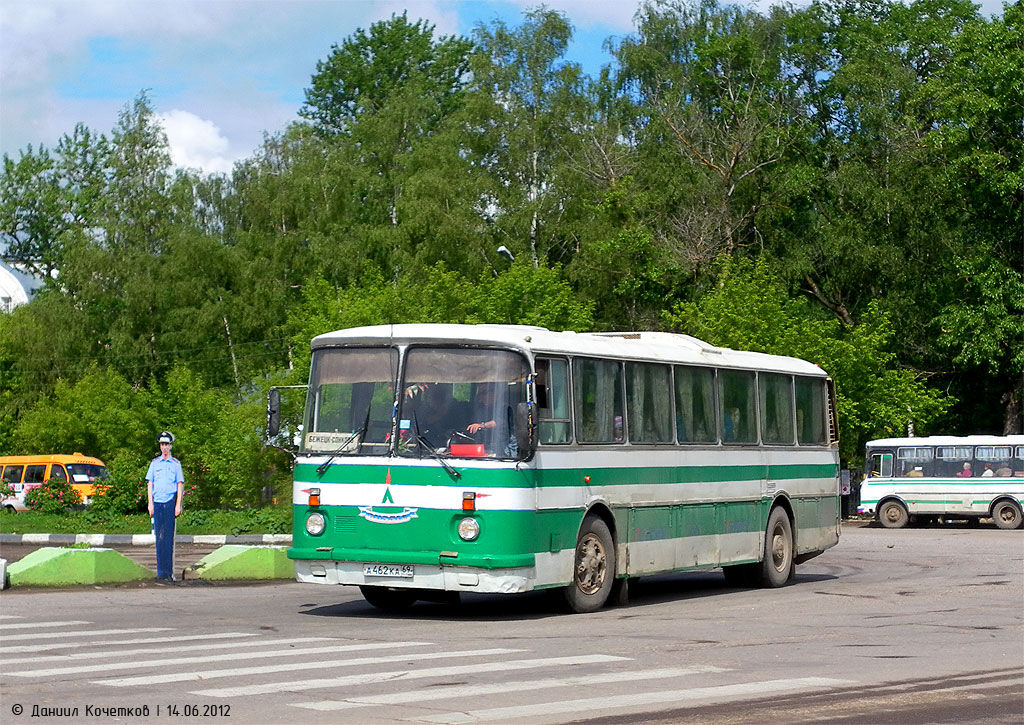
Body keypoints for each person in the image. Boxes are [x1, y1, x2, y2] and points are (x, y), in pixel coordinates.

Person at [146, 431, 185, 582]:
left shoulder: (175, 464)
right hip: (157, 503)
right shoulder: (155, 463)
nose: (164, 447)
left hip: (169, 503)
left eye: (167, 444)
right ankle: (160, 572)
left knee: (168, 538)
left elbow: (179, 485)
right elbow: (150, 484)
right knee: (159, 538)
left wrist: (178, 505)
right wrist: (150, 503)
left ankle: (168, 573)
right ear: (160, 446)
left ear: (170, 446)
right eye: (162, 444)